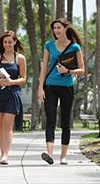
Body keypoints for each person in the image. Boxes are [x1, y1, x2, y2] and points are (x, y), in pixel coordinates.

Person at [38, 18, 84, 165]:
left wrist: (68, 71)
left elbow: (82, 70)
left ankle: (63, 156)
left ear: (65, 28)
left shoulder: (74, 47)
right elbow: (44, 68)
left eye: (59, 27)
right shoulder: (49, 45)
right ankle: (50, 154)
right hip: (50, 86)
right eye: (54, 28)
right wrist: (40, 88)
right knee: (50, 120)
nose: (56, 31)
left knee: (65, 122)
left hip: (67, 87)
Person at [0, 30, 26, 165]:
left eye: (10, 42)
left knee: (8, 125)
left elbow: (23, 79)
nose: (7, 44)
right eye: (5, 42)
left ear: (15, 42)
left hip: (12, 93)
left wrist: (11, 82)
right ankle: (1, 151)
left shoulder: (20, 58)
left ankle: (5, 155)